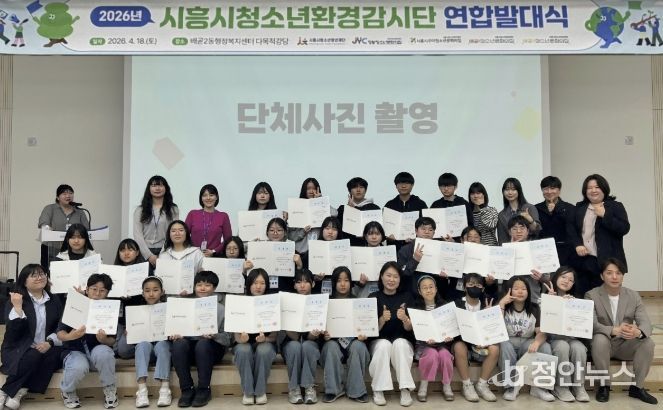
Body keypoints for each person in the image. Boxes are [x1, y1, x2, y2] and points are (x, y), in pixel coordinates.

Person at [585, 258, 657, 405]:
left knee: (648, 343)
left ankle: (637, 388)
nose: (614, 277)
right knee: (599, 339)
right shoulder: (591, 295)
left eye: (618, 273)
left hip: (625, 344)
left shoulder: (633, 295)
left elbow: (646, 323)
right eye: (609, 273)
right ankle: (604, 386)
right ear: (602, 276)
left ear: (623, 276)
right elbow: (591, 324)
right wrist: (613, 330)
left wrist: (638, 332)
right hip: (604, 344)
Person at [0, 264, 63, 410]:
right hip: (19, 348)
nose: (39, 277)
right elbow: (13, 334)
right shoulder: (16, 299)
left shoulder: (54, 300)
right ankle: (9, 391)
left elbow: (60, 326)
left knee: (55, 355)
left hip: (45, 346)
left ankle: (17, 390)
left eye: (42, 274)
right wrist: (17, 308)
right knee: (34, 355)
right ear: (24, 282)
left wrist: (49, 342)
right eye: (34, 275)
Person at [170, 271, 230, 407]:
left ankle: (204, 389)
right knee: (179, 344)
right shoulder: (185, 306)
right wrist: (177, 334)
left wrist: (214, 335)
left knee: (203, 344)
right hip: (190, 349)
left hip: (211, 350)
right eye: (199, 285)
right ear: (194, 287)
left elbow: (228, 339)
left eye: (207, 285)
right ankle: (187, 389)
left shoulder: (221, 309)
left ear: (214, 288)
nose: (202, 288)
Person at [58, 274, 118, 409]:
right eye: (94, 289)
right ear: (87, 289)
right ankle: (68, 391)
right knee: (78, 366)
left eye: (102, 290)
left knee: (105, 354)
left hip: (97, 350)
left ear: (107, 293)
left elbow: (112, 341)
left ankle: (110, 389)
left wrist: (104, 339)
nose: (97, 293)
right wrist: (71, 336)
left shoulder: (110, 309)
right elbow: (60, 333)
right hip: (74, 350)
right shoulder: (75, 305)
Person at [569, 174, 630, 296]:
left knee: (605, 298)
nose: (593, 190)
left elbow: (624, 228)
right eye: (589, 188)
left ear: (604, 188)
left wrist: (604, 215)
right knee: (583, 296)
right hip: (583, 260)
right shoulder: (580, 208)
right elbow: (571, 228)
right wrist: (577, 244)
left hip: (606, 261)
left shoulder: (615, 206)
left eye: (597, 187)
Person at [319, 266, 370, 403]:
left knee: (359, 346)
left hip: (353, 343)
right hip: (334, 345)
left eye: (346, 280)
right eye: (339, 280)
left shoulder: (358, 303)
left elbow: (365, 327)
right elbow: (319, 328)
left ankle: (357, 391)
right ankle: (333, 390)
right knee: (330, 346)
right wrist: (324, 335)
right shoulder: (326, 303)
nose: (342, 284)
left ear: (351, 282)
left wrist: (363, 335)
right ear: (334, 283)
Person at [498, 276, 553, 402]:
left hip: (527, 343)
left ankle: (540, 388)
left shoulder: (534, 308)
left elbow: (541, 332)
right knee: (504, 344)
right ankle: (511, 387)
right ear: (509, 290)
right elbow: (497, 328)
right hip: (508, 342)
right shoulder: (502, 307)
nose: (520, 291)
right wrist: (501, 304)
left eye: (524, 289)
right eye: (516, 288)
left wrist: (537, 342)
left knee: (545, 346)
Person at [368, 261, 415, 407]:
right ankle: (378, 389)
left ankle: (405, 389)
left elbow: (410, 329)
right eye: (388, 275)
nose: (391, 279)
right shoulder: (373, 297)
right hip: (379, 342)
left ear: (400, 279)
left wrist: (405, 319)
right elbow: (369, 329)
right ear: (381, 276)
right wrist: (382, 320)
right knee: (384, 345)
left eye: (395, 276)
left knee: (399, 344)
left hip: (403, 341)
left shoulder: (407, 297)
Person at [542, 267, 589, 402]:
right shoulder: (545, 297)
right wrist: (553, 303)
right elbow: (544, 325)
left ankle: (579, 387)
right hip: (551, 338)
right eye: (563, 277)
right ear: (556, 277)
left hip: (570, 337)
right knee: (562, 346)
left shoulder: (576, 301)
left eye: (570, 280)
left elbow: (580, 326)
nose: (566, 281)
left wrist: (572, 307)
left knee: (579, 348)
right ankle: (561, 387)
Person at [451, 273, 499, 402]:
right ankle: (467, 385)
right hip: (463, 344)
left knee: (495, 349)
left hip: (482, 345)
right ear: (464, 287)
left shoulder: (487, 304)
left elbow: (492, 330)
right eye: (471, 284)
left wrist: (489, 314)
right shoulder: (456, 304)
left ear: (483, 288)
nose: (474, 287)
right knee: (459, 347)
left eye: (478, 285)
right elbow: (454, 330)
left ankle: (482, 385)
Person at [233, 268, 277, 405]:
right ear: (249, 284)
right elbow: (236, 337)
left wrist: (265, 339)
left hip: (265, 342)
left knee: (264, 350)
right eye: (255, 283)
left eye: (262, 283)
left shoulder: (272, 303)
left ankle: (260, 392)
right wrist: (241, 340)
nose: (258, 286)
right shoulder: (240, 302)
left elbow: (274, 337)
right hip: (244, 343)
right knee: (243, 350)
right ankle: (248, 392)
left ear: (267, 285)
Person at [129, 277, 172, 408]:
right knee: (142, 345)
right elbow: (133, 337)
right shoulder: (136, 312)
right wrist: (130, 332)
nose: (151, 294)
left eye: (155, 290)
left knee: (162, 345)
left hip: (162, 349)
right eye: (147, 291)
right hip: (146, 351)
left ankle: (165, 389)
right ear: (143, 293)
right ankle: (142, 390)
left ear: (162, 291)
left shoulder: (169, 309)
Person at [411, 275, 455, 402]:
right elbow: (415, 331)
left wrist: (449, 336)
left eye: (431, 287)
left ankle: (447, 385)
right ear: (420, 291)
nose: (428, 290)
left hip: (442, 344)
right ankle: (424, 384)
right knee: (431, 354)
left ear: (436, 289)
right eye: (424, 288)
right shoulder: (416, 308)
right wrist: (425, 338)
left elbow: (451, 326)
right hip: (424, 345)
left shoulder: (445, 307)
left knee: (445, 355)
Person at [282, 269, 321, 405]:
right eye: (299, 282)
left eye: (306, 282)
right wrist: (287, 325)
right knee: (295, 346)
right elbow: (294, 338)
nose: (302, 285)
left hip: (311, 342)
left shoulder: (319, 303)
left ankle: (309, 387)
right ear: (294, 285)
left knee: (307, 346)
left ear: (313, 284)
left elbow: (310, 338)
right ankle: (294, 388)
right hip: (292, 341)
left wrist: (313, 334)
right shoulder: (288, 302)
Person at [38, 184, 90, 268]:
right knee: (51, 271)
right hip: (52, 248)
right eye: (64, 194)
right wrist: (47, 228)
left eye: (70, 193)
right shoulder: (50, 208)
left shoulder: (80, 211)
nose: (68, 196)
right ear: (58, 197)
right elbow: (43, 223)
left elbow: (86, 229)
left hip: (74, 249)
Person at [246, 218, 303, 293]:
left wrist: (299, 266)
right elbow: (251, 276)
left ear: (285, 232)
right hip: (263, 293)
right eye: (272, 230)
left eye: (279, 230)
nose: (275, 233)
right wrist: (245, 268)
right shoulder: (258, 250)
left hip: (285, 292)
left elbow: (299, 280)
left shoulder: (293, 252)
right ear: (267, 233)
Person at [112, 239, 147, 361]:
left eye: (130, 249)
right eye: (122, 250)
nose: (126, 253)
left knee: (123, 350)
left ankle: (144, 347)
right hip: (120, 320)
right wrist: (118, 295)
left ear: (137, 253)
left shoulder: (145, 271)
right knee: (114, 350)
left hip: (138, 318)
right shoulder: (114, 272)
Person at [133, 176, 179, 268]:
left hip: (166, 251)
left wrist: (162, 254)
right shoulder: (140, 210)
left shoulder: (173, 209)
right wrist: (149, 255)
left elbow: (173, 232)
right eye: (154, 185)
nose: (157, 188)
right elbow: (137, 234)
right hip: (144, 252)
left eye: (161, 185)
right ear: (149, 189)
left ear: (166, 188)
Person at [288, 178, 338, 255]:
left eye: (314, 188)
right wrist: (303, 232)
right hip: (300, 251)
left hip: (319, 251)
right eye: (308, 188)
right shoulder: (297, 207)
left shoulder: (321, 205)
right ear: (304, 190)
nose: (311, 191)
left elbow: (335, 213)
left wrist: (321, 201)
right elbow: (290, 236)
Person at [506, 215, 550, 305]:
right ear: (509, 232)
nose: (518, 231)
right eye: (514, 228)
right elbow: (501, 276)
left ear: (528, 231)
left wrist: (541, 277)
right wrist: (511, 250)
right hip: (510, 298)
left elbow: (548, 280)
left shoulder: (538, 250)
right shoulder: (504, 251)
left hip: (533, 297)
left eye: (522, 228)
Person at [535, 176, 575, 266]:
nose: (549, 192)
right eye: (545, 189)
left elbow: (571, 228)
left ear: (559, 190)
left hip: (565, 252)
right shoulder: (536, 208)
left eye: (552, 188)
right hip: (542, 252)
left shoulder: (570, 208)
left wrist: (556, 210)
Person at [396, 217, 441, 297]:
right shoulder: (405, 250)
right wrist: (414, 260)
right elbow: (401, 274)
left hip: (432, 295)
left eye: (430, 230)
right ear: (416, 231)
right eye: (423, 229)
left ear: (434, 233)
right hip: (410, 295)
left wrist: (442, 275)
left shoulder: (439, 249)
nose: (427, 232)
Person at [383, 172, 428, 251]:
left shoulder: (420, 204)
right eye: (400, 183)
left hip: (416, 248)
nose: (403, 186)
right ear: (396, 186)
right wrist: (387, 236)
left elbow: (427, 225)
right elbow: (383, 228)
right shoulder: (389, 205)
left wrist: (417, 237)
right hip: (394, 248)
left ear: (412, 185)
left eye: (407, 183)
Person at [185, 184, 232, 257]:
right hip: (193, 255)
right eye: (205, 195)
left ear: (216, 197)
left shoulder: (223, 216)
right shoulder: (192, 214)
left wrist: (214, 251)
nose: (208, 198)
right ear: (201, 198)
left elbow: (228, 239)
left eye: (211, 195)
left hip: (214, 257)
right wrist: (193, 250)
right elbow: (184, 235)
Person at [336, 177, 381, 246]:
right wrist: (349, 210)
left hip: (369, 246)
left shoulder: (374, 208)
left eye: (361, 187)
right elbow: (338, 230)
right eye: (354, 187)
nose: (358, 190)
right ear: (350, 191)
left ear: (365, 190)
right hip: (348, 246)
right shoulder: (342, 209)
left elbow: (379, 230)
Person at [497, 177, 541, 244]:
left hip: (530, 246)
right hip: (512, 247)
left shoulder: (530, 208)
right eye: (507, 189)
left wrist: (531, 220)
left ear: (519, 191)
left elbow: (537, 231)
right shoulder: (502, 215)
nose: (510, 192)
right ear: (503, 192)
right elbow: (502, 239)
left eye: (513, 189)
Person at [430, 173, 473, 239]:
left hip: (459, 241)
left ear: (455, 186)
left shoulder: (463, 203)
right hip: (439, 241)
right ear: (439, 187)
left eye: (449, 186)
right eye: (443, 186)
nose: (446, 189)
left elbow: (471, 224)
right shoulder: (435, 205)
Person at [308, 216, 342, 294]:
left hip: (338, 292)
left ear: (338, 232)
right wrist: (314, 277)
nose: (330, 232)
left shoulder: (344, 250)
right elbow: (305, 273)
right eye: (327, 228)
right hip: (316, 291)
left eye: (334, 229)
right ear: (322, 230)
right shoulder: (314, 248)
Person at [352, 221, 386, 298]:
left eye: (377, 234)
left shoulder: (389, 254)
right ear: (365, 236)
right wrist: (360, 283)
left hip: (384, 293)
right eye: (370, 234)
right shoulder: (358, 253)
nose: (374, 237)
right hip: (364, 293)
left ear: (382, 236)